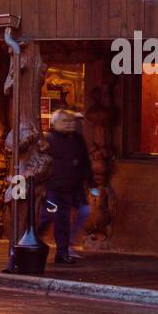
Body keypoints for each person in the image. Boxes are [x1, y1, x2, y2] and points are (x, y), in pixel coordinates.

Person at [39, 108, 92, 265]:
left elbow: (84, 162)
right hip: (52, 188)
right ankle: (33, 238)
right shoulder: (48, 140)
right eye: (65, 121)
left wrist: (90, 182)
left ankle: (62, 253)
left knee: (63, 221)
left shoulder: (77, 140)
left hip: (68, 188)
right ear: (55, 123)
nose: (69, 124)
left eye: (71, 121)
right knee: (48, 216)